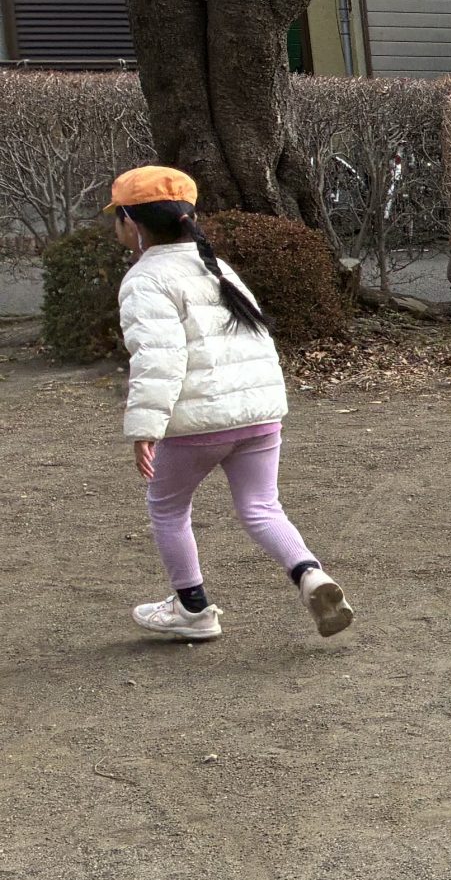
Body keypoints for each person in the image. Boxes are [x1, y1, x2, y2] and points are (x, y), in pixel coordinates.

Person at [111, 166, 353, 643]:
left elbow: (159, 359)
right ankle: (309, 573)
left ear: (131, 223)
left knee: (167, 506)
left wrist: (145, 428)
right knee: (262, 507)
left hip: (200, 423)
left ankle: (193, 609)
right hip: (260, 415)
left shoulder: (145, 279)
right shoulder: (218, 267)